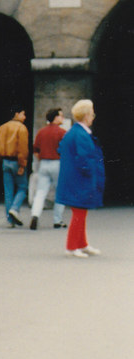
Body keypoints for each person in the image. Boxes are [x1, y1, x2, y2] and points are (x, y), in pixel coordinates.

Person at [56, 98, 105, 258]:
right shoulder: (82, 134)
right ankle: (71, 247)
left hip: (74, 179)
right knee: (79, 214)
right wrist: (91, 176)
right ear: (86, 116)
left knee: (80, 212)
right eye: (91, 114)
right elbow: (85, 159)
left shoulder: (75, 132)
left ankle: (82, 244)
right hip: (80, 180)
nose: (93, 116)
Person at [29, 108, 67, 229]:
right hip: (57, 163)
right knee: (60, 192)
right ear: (55, 117)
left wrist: (41, 158)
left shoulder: (41, 132)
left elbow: (35, 150)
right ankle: (57, 220)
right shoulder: (62, 132)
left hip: (44, 164)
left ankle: (35, 215)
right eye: (61, 116)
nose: (62, 118)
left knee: (40, 192)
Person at [0, 106, 29, 226]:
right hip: (16, 161)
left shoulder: (2, 127)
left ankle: (10, 220)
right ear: (16, 114)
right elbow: (23, 148)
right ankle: (15, 208)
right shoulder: (22, 128)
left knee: (8, 191)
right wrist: (22, 164)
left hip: (5, 161)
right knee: (23, 187)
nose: (25, 117)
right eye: (23, 114)